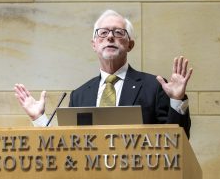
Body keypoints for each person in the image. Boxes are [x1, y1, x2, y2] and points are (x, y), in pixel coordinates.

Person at [14, 9, 193, 138]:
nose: (110, 37)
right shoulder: (80, 95)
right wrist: (39, 118)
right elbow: (66, 145)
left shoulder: (154, 86)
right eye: (103, 32)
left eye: (118, 32)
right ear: (94, 44)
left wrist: (177, 101)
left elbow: (177, 142)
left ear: (130, 45)